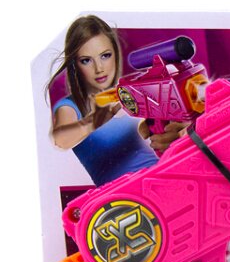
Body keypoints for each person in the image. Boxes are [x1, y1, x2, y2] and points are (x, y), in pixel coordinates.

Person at [47, 15, 183, 186]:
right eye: (86, 60)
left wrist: (174, 134)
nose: (99, 68)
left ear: (115, 54)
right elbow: (59, 140)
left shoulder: (130, 91)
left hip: (165, 177)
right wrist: (92, 122)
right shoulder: (70, 107)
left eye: (105, 56)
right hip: (124, 195)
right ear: (74, 64)